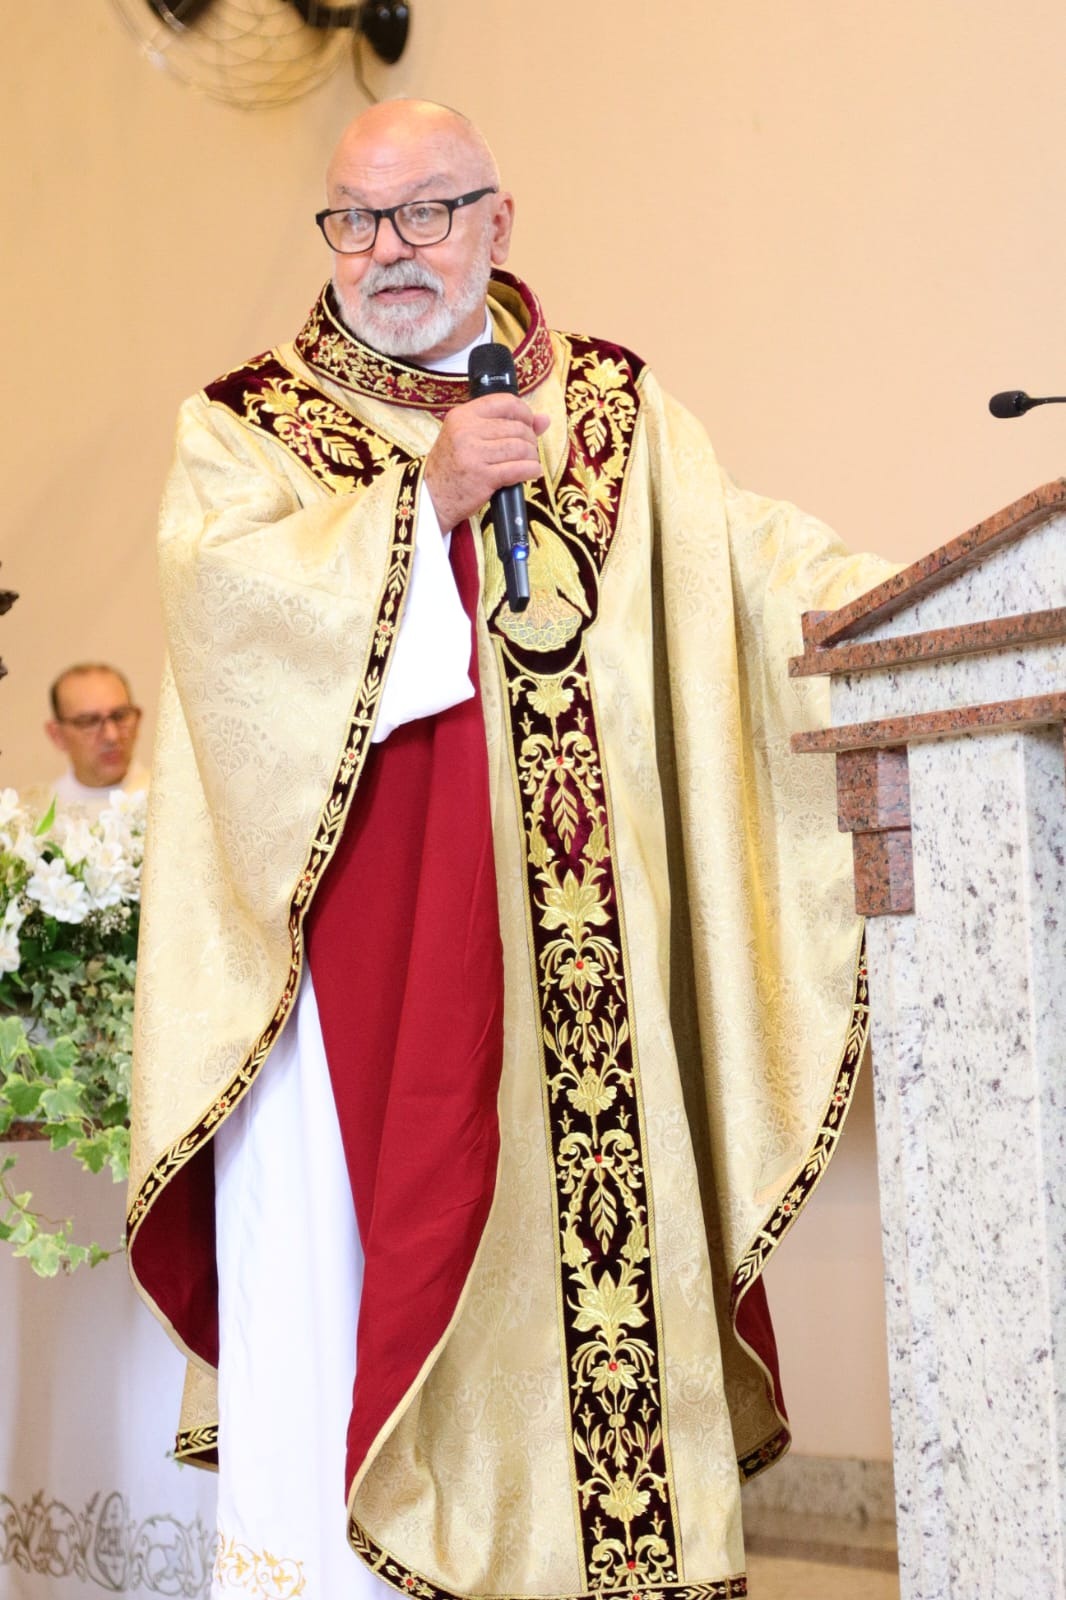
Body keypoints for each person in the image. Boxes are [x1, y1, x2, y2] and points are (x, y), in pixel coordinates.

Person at [128, 100, 892, 1600]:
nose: (388, 250)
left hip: (598, 990)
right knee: (367, 1305)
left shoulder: (611, 408)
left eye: (424, 212)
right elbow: (227, 623)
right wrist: (419, 507)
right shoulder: (248, 425)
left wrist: (909, 610)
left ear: (500, 218)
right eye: (353, 218)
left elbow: (754, 573)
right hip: (366, 1008)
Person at [35, 663, 148, 814]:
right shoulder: (36, 817)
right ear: (57, 735)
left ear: (137, 719)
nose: (111, 736)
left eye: (120, 716)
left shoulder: (172, 796)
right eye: (89, 722)